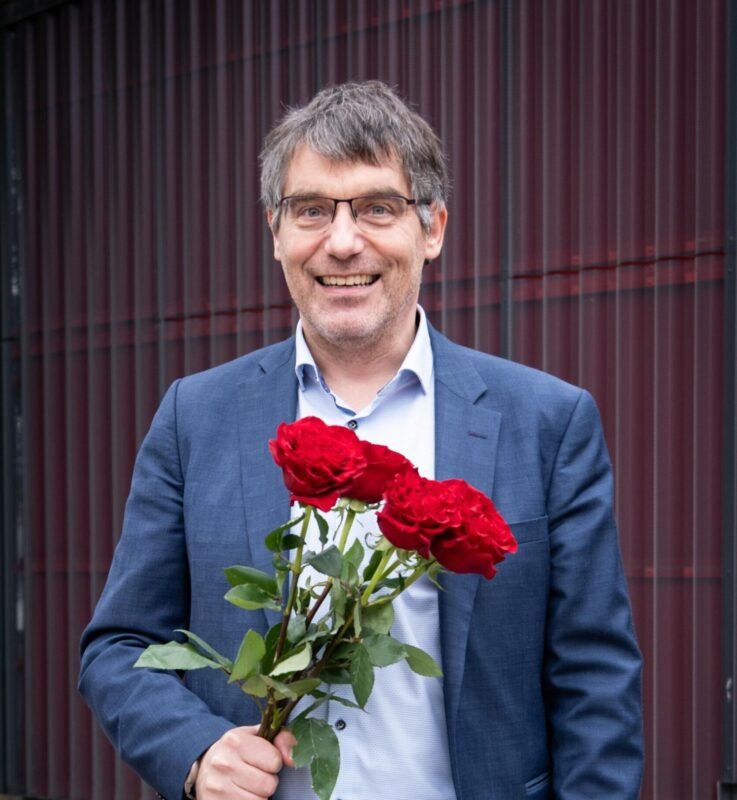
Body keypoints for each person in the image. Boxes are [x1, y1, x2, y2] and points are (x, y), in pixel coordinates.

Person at [79, 81, 643, 800]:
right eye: (310, 210)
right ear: (275, 232)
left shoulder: (546, 421)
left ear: (432, 227)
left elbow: (594, 680)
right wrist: (194, 751)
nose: (342, 243)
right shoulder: (196, 417)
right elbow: (117, 648)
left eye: (378, 207)